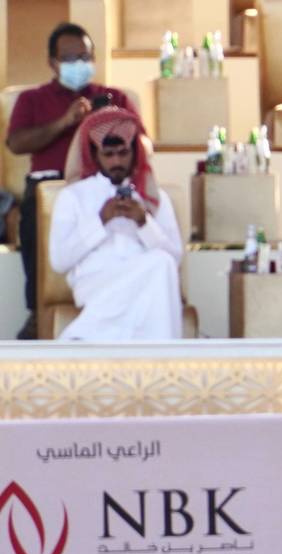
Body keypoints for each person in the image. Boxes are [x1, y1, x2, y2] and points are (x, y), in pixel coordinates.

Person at [5, 22, 134, 340]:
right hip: (51, 185)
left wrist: (102, 123)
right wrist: (65, 122)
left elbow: (135, 144)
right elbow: (17, 143)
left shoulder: (112, 97)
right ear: (52, 62)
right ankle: (37, 311)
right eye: (70, 58)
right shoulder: (32, 100)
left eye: (85, 57)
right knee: (35, 213)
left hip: (101, 183)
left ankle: (124, 299)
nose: (80, 65)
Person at [48, 107, 182, 341]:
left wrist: (144, 222)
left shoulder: (153, 198)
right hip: (95, 283)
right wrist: (101, 221)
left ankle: (82, 337)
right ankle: (161, 359)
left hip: (148, 281)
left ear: (135, 153)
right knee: (158, 269)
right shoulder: (73, 196)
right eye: (108, 154)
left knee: (161, 265)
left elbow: (174, 259)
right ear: (94, 155)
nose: (117, 161)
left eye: (123, 153)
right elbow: (59, 261)